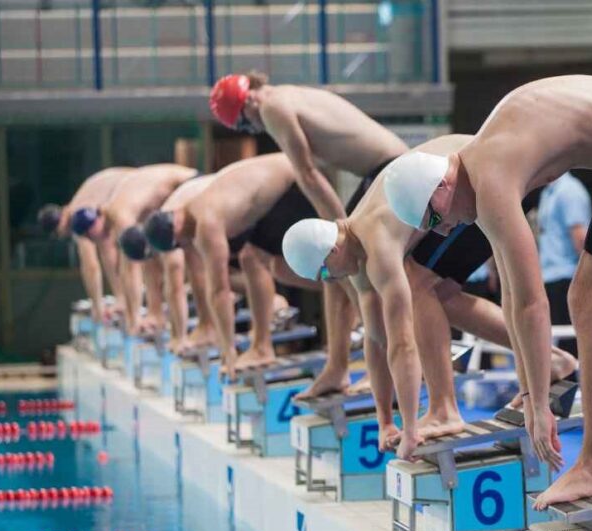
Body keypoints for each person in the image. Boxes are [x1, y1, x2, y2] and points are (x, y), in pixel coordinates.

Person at [382, 75, 592, 498]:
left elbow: (533, 304)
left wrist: (538, 407)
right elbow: (513, 297)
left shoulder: (490, 178)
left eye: (435, 220)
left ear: (441, 188)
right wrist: (532, 387)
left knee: (590, 301)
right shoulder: (480, 168)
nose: (443, 232)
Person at [282, 134, 578, 456]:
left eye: (325, 272)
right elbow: (377, 341)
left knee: (419, 283)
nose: (330, 281)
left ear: (333, 250)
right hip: (477, 171)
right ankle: (549, 360)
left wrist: (408, 429)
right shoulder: (356, 252)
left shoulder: (378, 247)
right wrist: (385, 422)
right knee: (440, 296)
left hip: (486, 176)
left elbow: (402, 345)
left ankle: (443, 408)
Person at [209, 70, 408, 396]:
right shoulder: (288, 92)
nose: (253, 128)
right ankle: (337, 367)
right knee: (332, 270)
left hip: (389, 171)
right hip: (385, 169)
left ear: (246, 105)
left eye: (246, 124)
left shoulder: (272, 108)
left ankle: (383, 369)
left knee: (357, 272)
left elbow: (309, 176)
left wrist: (338, 228)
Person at [143, 153, 319, 377]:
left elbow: (218, 292)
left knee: (257, 261)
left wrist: (228, 351)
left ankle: (263, 345)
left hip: (295, 177)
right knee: (266, 263)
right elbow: (204, 282)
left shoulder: (203, 222)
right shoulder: (186, 214)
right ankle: (263, 341)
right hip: (283, 179)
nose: (186, 247)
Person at [71, 164, 198, 334]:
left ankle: (192, 331)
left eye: (90, 236)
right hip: (182, 187)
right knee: (156, 259)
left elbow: (130, 268)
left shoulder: (121, 214)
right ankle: (157, 314)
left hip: (190, 184)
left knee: (177, 265)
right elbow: (142, 260)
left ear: (96, 221)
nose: (93, 241)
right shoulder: (124, 211)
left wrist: (133, 318)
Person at [118, 175, 215, 353]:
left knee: (200, 268)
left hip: (202, 184)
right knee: (198, 268)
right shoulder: (154, 224)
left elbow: (175, 285)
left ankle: (208, 327)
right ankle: (163, 315)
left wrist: (180, 337)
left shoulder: (165, 229)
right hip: (195, 185)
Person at [38, 167, 135, 324]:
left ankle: (128, 300)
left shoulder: (77, 215)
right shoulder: (80, 205)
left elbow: (90, 266)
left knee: (124, 246)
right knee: (108, 243)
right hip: (135, 181)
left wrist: (97, 307)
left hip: (135, 186)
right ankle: (124, 297)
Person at [537, 172, 592, 356]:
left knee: (569, 346)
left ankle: (576, 385)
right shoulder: (547, 193)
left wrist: (590, 279)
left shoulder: (570, 191)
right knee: (555, 345)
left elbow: (580, 238)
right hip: (550, 278)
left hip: (567, 279)